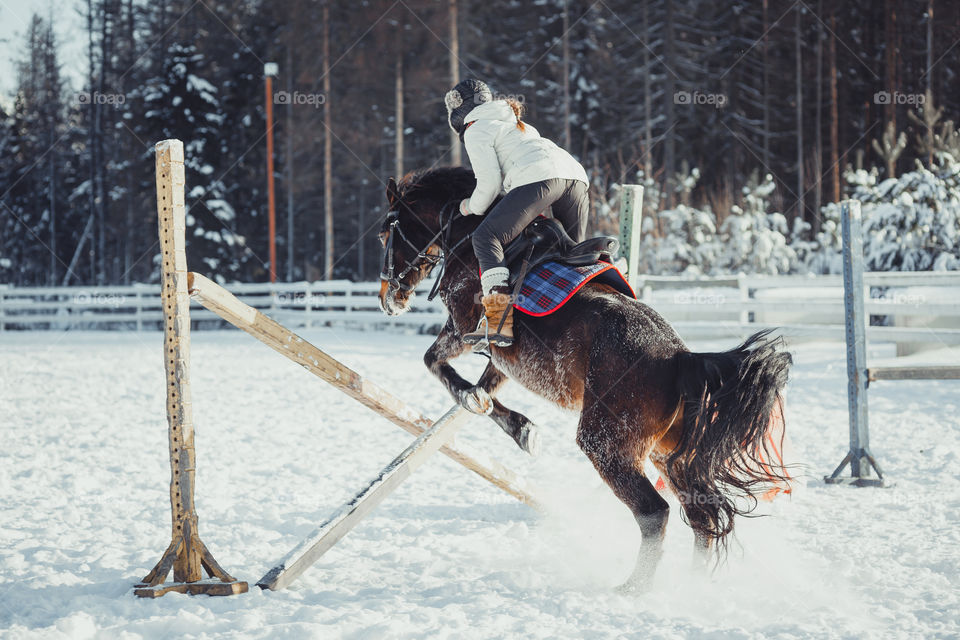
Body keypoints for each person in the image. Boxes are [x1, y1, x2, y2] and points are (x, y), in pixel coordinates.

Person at [445, 78, 590, 349]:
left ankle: (498, 321)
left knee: (486, 238)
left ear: (457, 112)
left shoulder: (476, 128)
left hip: (540, 177)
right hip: (576, 177)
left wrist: (468, 207)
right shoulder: (514, 122)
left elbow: (489, 186)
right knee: (574, 255)